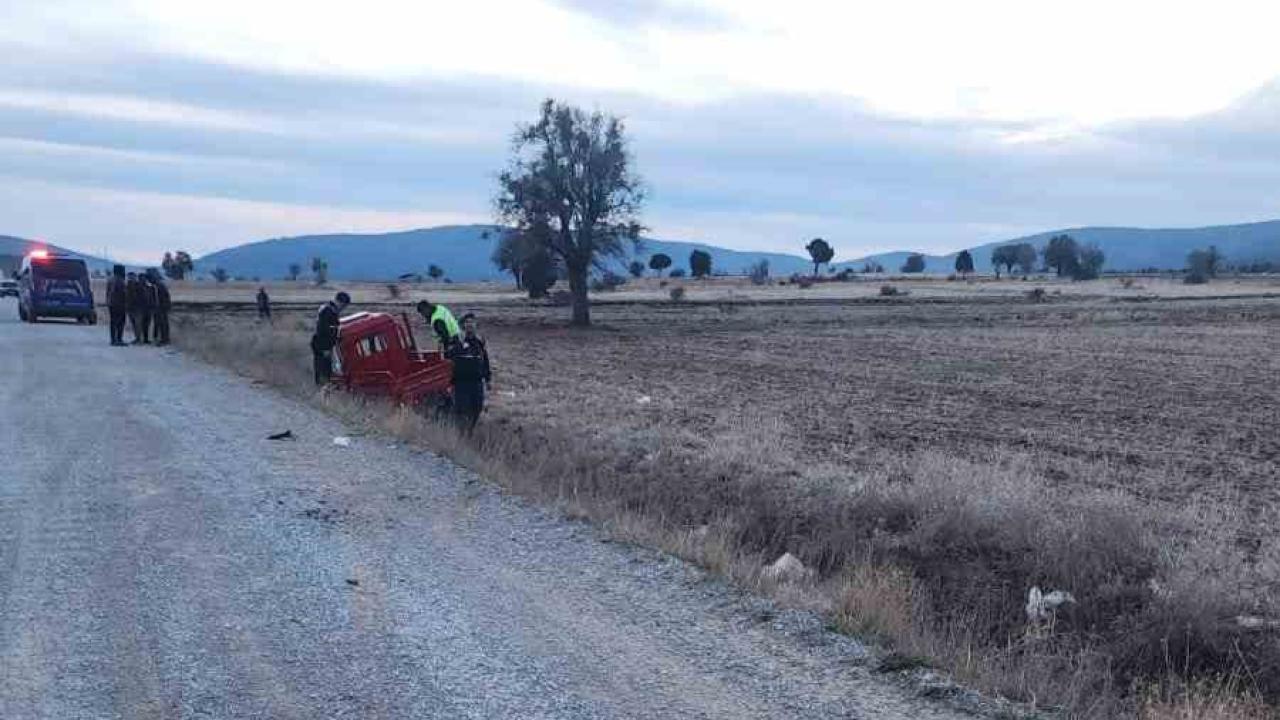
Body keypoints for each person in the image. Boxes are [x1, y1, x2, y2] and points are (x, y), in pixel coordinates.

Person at [446, 313, 492, 432]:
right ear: (463, 326)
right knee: (462, 410)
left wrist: (488, 379)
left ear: (476, 325)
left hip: (476, 382)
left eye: (472, 322)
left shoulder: (479, 342)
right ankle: (460, 434)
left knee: (477, 408)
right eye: (467, 322)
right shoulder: (457, 341)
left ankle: (469, 432)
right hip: (461, 383)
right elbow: (448, 359)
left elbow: (485, 361)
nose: (470, 325)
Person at [311, 291, 350, 386]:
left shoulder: (327, 309)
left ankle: (323, 391)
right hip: (322, 347)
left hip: (322, 346)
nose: (343, 309)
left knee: (324, 371)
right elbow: (323, 330)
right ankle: (322, 393)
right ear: (340, 302)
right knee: (323, 372)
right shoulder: (328, 311)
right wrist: (325, 349)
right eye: (343, 306)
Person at [106, 264, 128, 346]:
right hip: (119, 304)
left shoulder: (110, 279)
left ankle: (113, 339)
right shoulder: (120, 281)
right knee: (120, 322)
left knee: (113, 322)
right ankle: (118, 339)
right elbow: (123, 293)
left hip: (112, 304)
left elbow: (108, 293)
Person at [125, 272, 145, 344]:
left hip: (137, 307)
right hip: (131, 307)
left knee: (138, 324)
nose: (130, 278)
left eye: (132, 277)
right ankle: (137, 338)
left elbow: (142, 296)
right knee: (134, 324)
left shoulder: (138, 286)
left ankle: (139, 338)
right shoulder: (128, 286)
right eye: (129, 277)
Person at [152, 272, 171, 346]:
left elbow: (161, 298)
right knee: (161, 324)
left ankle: (164, 340)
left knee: (162, 324)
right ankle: (163, 339)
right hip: (161, 308)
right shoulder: (159, 285)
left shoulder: (159, 286)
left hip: (161, 308)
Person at [139, 273, 158, 344]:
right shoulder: (139, 287)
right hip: (142, 308)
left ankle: (145, 339)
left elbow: (153, 297)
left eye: (144, 278)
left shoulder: (150, 287)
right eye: (141, 278)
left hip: (148, 308)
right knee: (142, 324)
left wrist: (154, 305)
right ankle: (142, 338)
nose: (143, 280)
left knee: (147, 324)